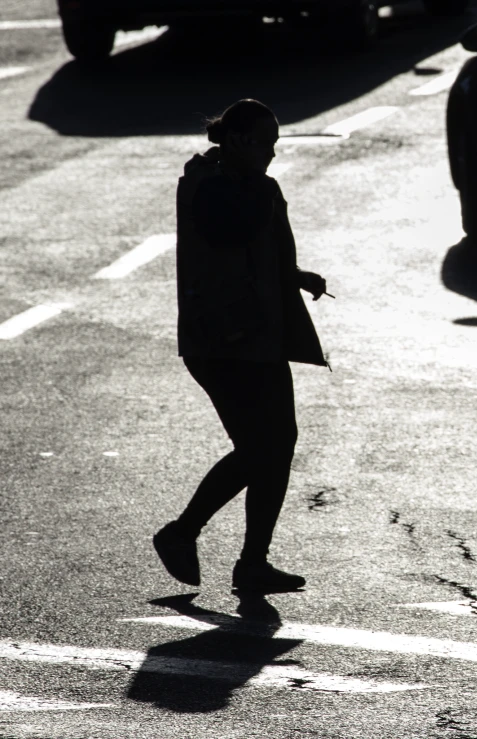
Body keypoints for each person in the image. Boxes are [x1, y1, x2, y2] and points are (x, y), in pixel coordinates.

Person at [153, 98, 330, 593]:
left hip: (259, 336)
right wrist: (258, 183)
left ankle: (252, 561)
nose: (272, 154)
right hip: (223, 341)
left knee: (276, 445)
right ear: (236, 140)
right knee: (260, 449)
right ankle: (183, 533)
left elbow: (253, 253)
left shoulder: (249, 184)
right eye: (265, 144)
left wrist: (294, 275)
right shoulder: (212, 187)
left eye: (275, 144)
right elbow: (232, 231)